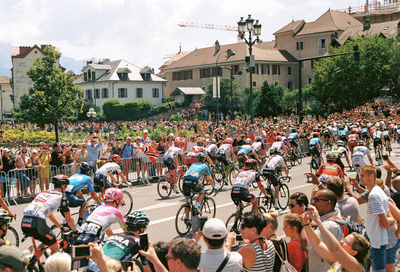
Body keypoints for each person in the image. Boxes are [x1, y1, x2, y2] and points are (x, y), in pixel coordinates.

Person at [21, 175, 78, 255]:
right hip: (37, 223)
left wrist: (60, 227)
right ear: (62, 186)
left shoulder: (43, 192)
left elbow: (49, 214)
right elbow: (69, 218)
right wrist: (75, 230)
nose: (66, 188)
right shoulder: (62, 197)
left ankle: (31, 263)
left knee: (47, 240)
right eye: (66, 186)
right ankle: (51, 267)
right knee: (55, 247)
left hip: (24, 221)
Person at [302, 205, 370, 272]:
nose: (341, 242)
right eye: (344, 239)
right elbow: (318, 244)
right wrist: (306, 224)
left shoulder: (356, 267)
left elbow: (336, 249)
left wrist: (318, 221)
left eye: (346, 242)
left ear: (353, 252)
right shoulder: (338, 263)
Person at [360, 165, 394, 272]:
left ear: (371, 176)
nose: (360, 178)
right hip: (377, 240)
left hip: (376, 242)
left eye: (362, 176)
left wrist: (391, 220)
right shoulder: (378, 191)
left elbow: (384, 222)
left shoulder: (374, 195)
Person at [307, 189, 344, 272]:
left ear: (328, 203)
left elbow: (309, 245)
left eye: (316, 200)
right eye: (313, 199)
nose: (313, 202)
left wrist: (305, 224)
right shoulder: (336, 214)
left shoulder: (328, 226)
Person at [66, 162, 102, 226]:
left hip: (62, 195)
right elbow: (93, 194)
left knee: (68, 221)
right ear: (88, 171)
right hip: (69, 197)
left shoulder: (74, 175)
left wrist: (81, 197)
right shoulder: (88, 178)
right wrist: (100, 203)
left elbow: (76, 189)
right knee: (84, 203)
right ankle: (80, 221)